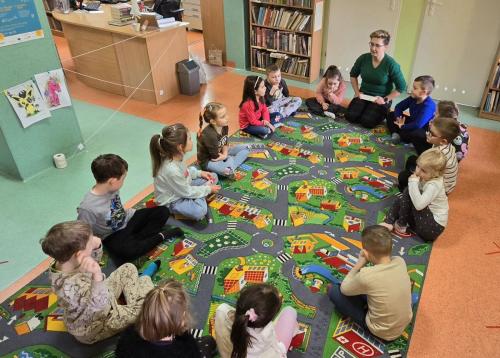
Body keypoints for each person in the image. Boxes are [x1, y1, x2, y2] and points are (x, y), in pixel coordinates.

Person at [41, 221, 156, 344]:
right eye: (91, 244)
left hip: (100, 294)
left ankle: (138, 293)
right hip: (96, 324)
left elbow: (90, 261)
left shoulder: (65, 262)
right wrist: (97, 276)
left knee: (128, 267)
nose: (96, 239)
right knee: (147, 310)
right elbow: (98, 306)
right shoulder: (70, 286)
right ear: (79, 254)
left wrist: (95, 248)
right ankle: (144, 280)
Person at [77, 154, 177, 263]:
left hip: (128, 218)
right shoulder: (87, 208)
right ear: (112, 181)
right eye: (123, 179)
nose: (123, 182)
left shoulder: (111, 187)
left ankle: (136, 240)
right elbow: (82, 233)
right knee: (128, 253)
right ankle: (160, 236)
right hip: (111, 234)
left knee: (163, 212)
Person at [327, 225, 412, 342]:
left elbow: (344, 289)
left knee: (333, 290)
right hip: (401, 325)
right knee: (371, 289)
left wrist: (360, 263)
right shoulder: (400, 261)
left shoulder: (366, 275)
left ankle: (365, 314)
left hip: (382, 332)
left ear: (366, 253)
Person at [115, 279, 216, 358]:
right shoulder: (185, 344)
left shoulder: (128, 333)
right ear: (180, 320)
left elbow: (119, 352)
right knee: (208, 341)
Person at [151, 123, 220, 221]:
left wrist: (200, 173)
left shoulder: (177, 155)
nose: (192, 141)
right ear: (180, 147)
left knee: (213, 176)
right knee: (200, 211)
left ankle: (199, 196)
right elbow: (186, 192)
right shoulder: (171, 169)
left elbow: (185, 172)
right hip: (173, 200)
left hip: (183, 187)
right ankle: (182, 210)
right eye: (190, 139)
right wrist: (207, 189)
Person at [214, 283, 298, 358]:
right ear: (268, 320)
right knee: (290, 311)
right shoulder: (267, 335)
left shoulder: (222, 312)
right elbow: (278, 351)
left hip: (229, 353)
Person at [382, 148, 448, 241]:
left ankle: (401, 224)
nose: (417, 172)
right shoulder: (428, 176)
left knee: (409, 190)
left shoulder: (434, 185)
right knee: (400, 199)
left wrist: (412, 183)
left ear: (436, 174)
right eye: (418, 166)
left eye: (423, 171)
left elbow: (419, 205)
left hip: (432, 228)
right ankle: (388, 222)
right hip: (423, 221)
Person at [347, 30, 406, 128]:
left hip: (381, 98)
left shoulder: (391, 64)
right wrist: (357, 92)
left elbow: (401, 86)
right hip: (364, 94)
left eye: (377, 45)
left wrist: (385, 99)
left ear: (385, 47)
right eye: (371, 44)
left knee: (367, 122)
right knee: (350, 117)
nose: (373, 48)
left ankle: (383, 110)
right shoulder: (363, 58)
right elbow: (353, 75)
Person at [398, 116, 460, 194]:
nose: (428, 134)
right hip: (438, 175)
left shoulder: (439, 156)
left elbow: (429, 174)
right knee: (412, 159)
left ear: (443, 141)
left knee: (403, 177)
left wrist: (415, 176)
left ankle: (408, 192)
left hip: (438, 188)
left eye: (432, 133)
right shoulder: (445, 145)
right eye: (429, 130)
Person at [197, 102, 250, 177]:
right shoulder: (210, 135)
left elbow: (225, 140)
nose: (227, 118)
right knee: (228, 172)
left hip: (221, 152)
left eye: (226, 115)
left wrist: (225, 154)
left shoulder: (224, 126)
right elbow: (215, 157)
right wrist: (226, 157)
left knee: (248, 148)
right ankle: (231, 162)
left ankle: (231, 163)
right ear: (213, 121)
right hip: (209, 160)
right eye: (223, 117)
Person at [386, 75, 436, 144]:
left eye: (415, 88)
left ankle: (400, 134)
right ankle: (395, 134)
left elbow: (418, 125)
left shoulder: (428, 106)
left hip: (421, 128)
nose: (412, 90)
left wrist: (402, 126)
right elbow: (398, 107)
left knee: (415, 134)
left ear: (423, 92)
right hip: (411, 122)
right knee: (391, 114)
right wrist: (399, 118)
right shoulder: (413, 98)